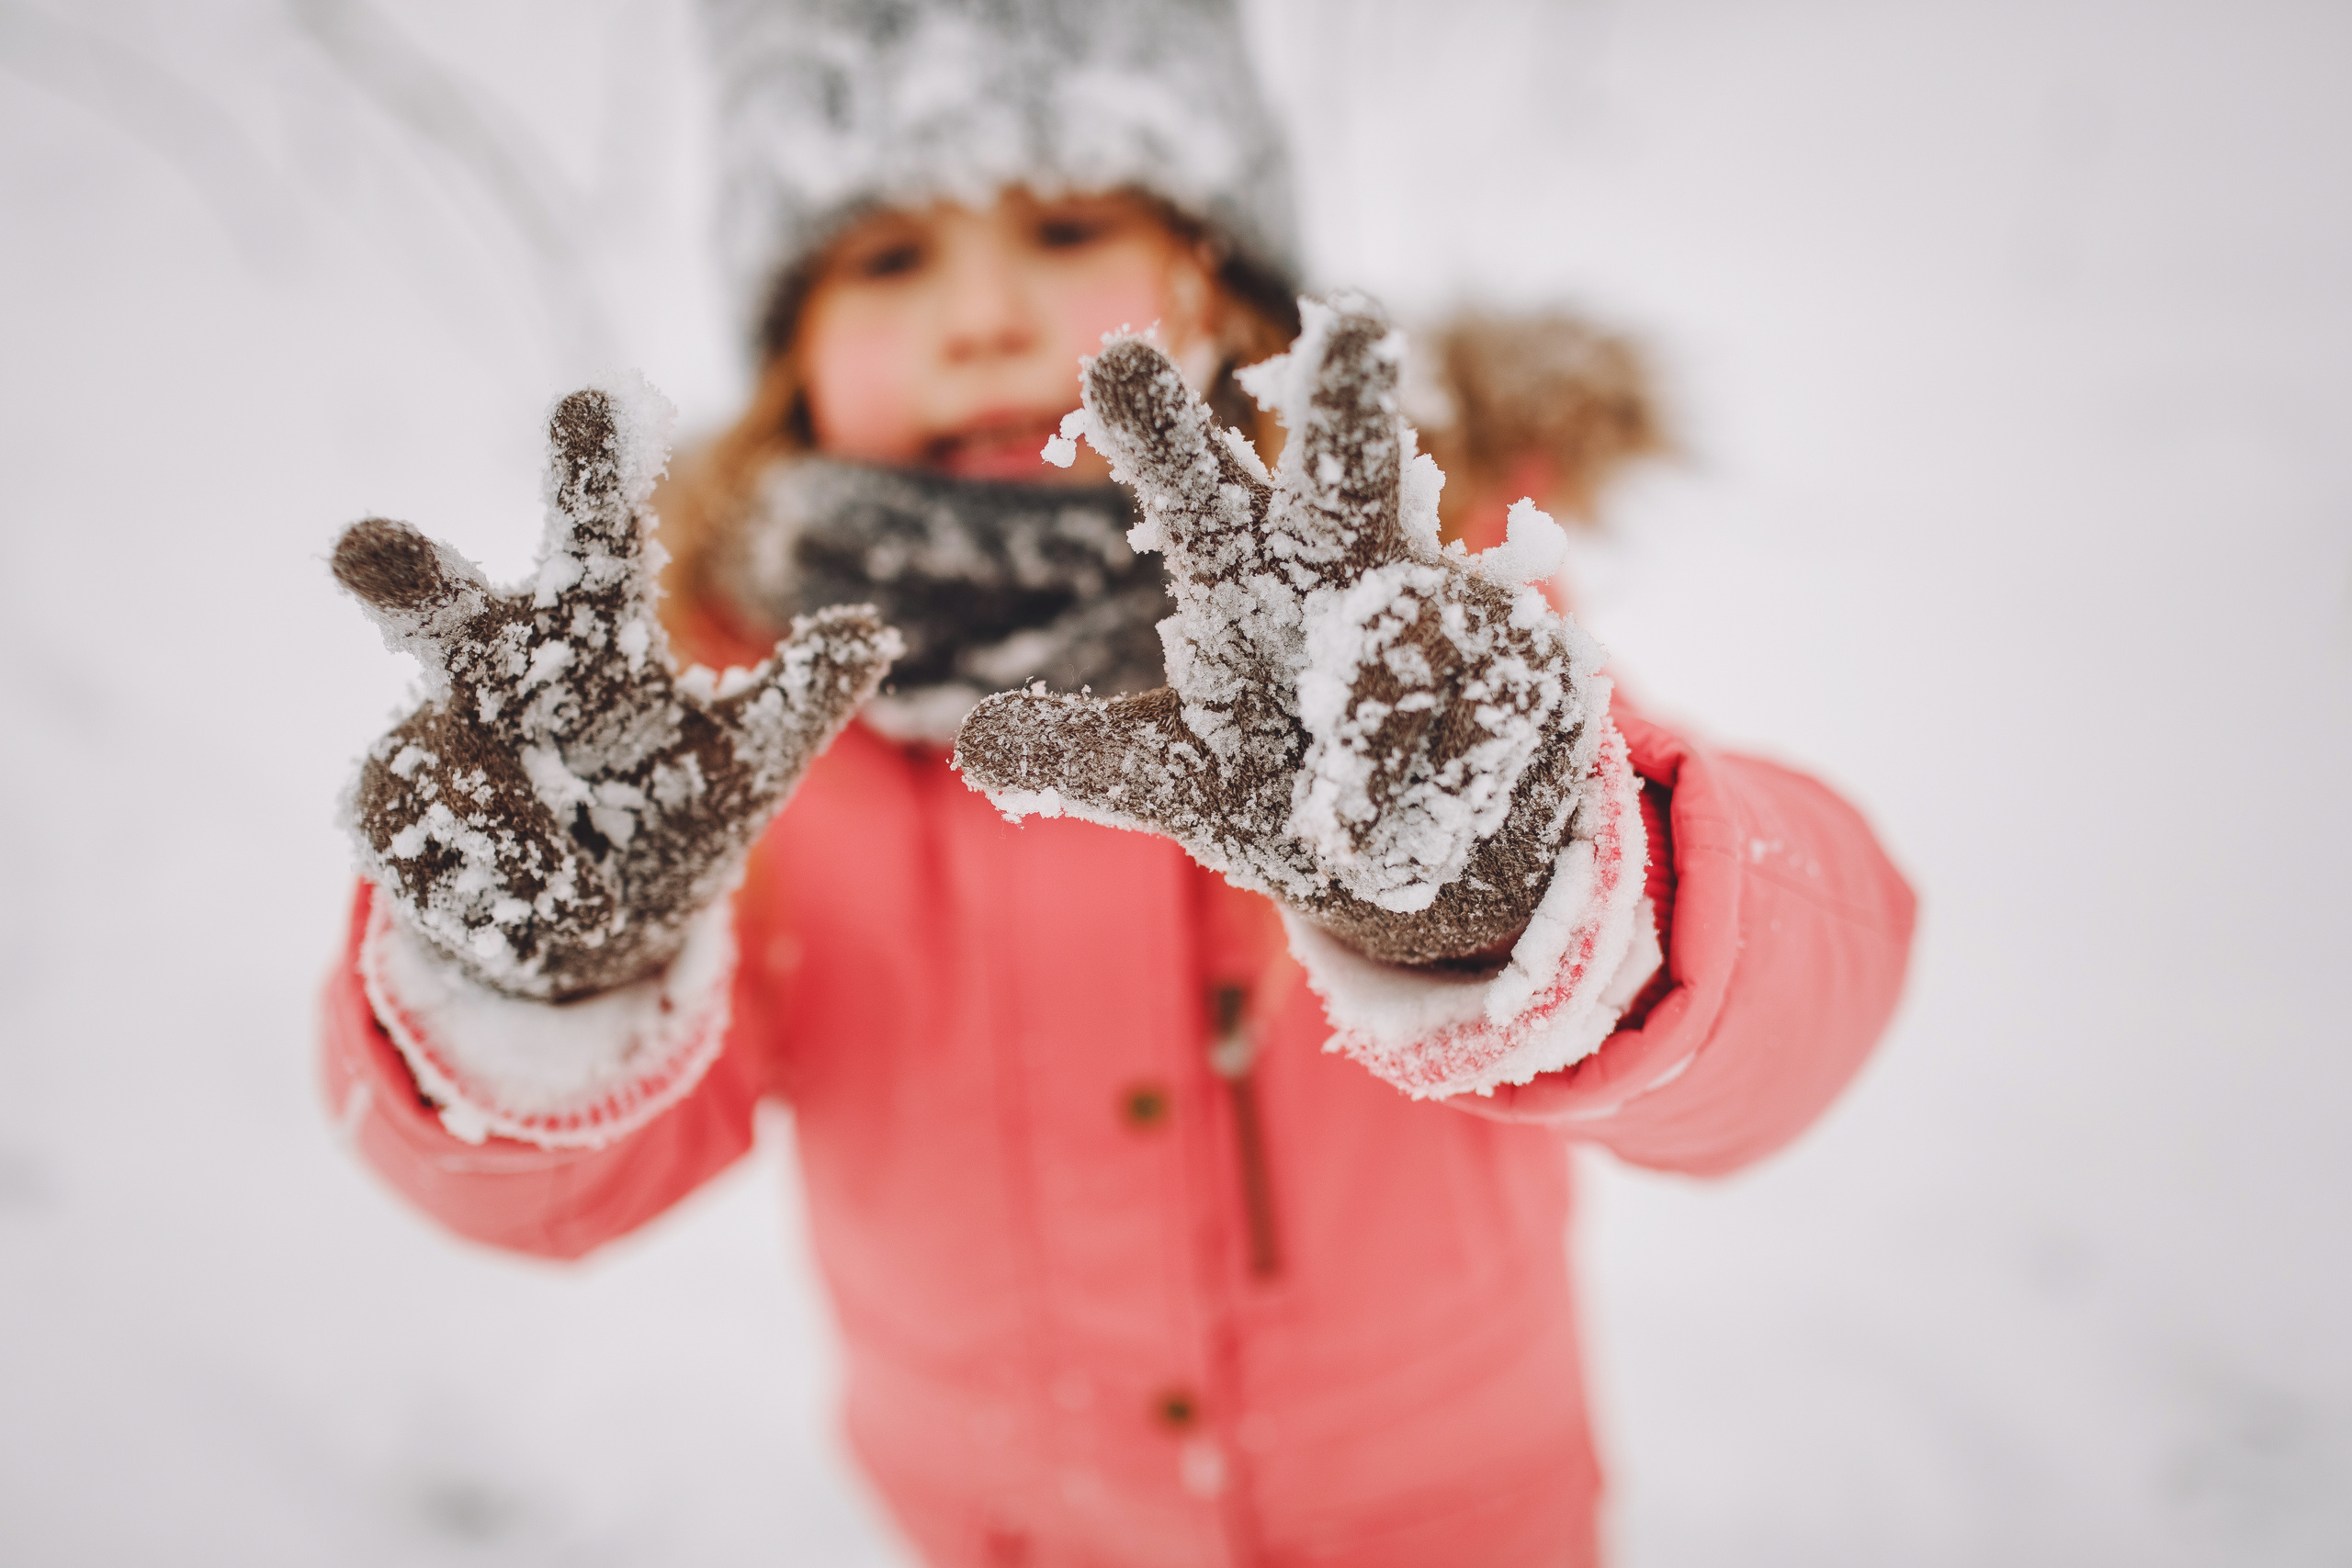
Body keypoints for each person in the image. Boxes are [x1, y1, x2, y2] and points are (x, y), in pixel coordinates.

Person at [317, 2, 1917, 1563]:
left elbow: (1789, 1023)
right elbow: (569, 1192)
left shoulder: (1415, 642)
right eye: (886, 258)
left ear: (1227, 287)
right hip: (1004, 1527)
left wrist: (1544, 883)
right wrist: (539, 989)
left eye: (1071, 226)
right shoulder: (724, 730)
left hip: (1444, 1520)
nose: (986, 317)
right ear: (790, 355)